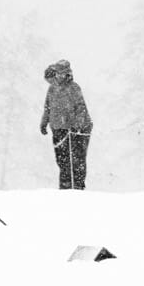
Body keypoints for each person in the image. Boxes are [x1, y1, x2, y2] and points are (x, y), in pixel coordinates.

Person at [39, 60, 93, 189]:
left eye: (53, 79)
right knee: (62, 160)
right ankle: (65, 186)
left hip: (78, 130)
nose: (51, 82)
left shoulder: (73, 88)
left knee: (77, 159)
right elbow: (48, 107)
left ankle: (78, 186)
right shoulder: (52, 89)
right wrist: (44, 122)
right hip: (59, 129)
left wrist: (77, 125)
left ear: (61, 75)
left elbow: (81, 108)